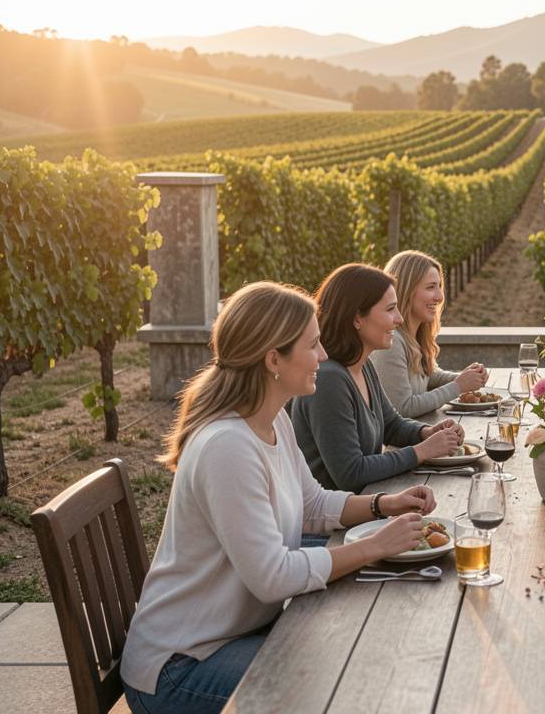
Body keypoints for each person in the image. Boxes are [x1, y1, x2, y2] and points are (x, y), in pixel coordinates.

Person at [121, 281, 438, 713]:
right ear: (274, 359)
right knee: (340, 681)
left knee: (351, 651)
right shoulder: (227, 446)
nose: (324, 356)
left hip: (231, 636)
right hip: (181, 666)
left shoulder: (271, 420)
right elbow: (271, 576)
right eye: (313, 345)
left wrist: (384, 505)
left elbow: (311, 504)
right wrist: (372, 547)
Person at [291, 264, 465, 493]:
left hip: (365, 507)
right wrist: (422, 451)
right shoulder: (329, 380)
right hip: (334, 525)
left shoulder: (362, 367)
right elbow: (351, 474)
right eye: (390, 309)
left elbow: (391, 424)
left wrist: (427, 433)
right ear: (357, 319)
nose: (399, 318)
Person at [372, 250, 488, 418]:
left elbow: (428, 375)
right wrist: (458, 386)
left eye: (439, 287)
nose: (440, 297)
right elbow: (402, 408)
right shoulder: (391, 342)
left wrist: (467, 377)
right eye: (431, 287)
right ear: (407, 290)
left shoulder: (413, 337)